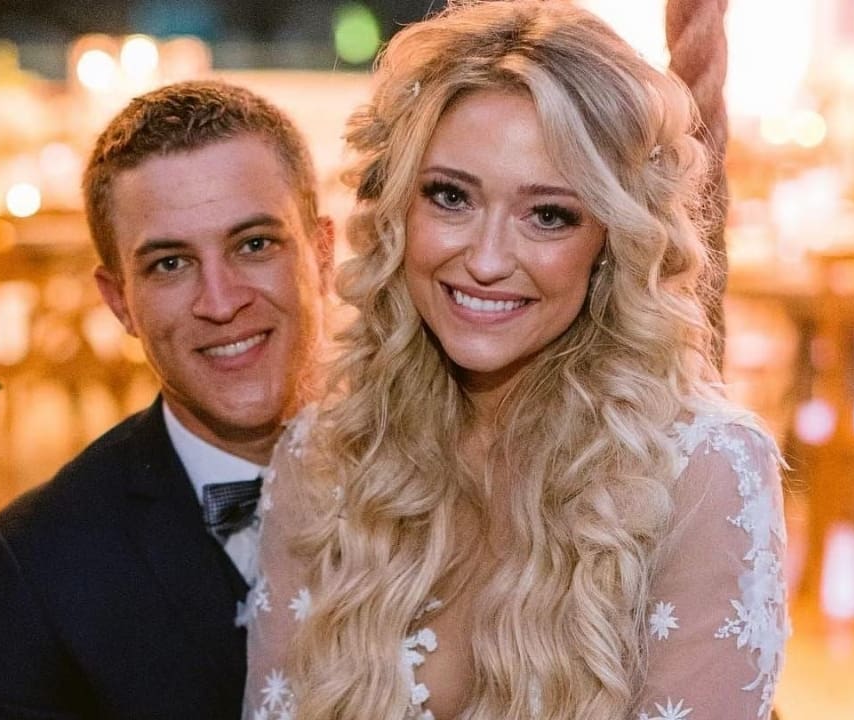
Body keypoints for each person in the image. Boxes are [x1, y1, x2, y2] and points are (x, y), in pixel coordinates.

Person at [243, 2, 788, 719]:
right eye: (450, 197)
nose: (489, 259)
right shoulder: (322, 458)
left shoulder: (704, 470)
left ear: (611, 240)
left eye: (549, 215)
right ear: (398, 211)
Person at [0, 80, 332, 719]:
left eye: (254, 244)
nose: (221, 301)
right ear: (118, 302)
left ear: (323, 254)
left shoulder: (465, 482)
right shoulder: (38, 566)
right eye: (169, 264)